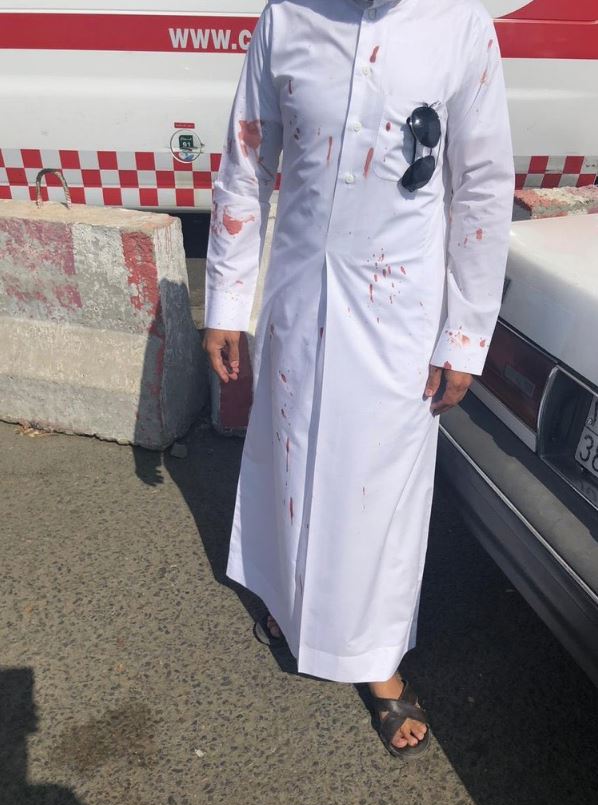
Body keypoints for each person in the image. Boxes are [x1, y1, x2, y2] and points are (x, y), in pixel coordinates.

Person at [203, 0, 514, 760]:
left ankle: (376, 658)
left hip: (399, 304)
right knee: (292, 458)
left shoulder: (459, 25)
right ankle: (290, 603)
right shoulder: (287, 18)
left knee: (380, 484)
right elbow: (247, 161)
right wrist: (227, 301)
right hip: (299, 290)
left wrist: (465, 333)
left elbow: (481, 185)